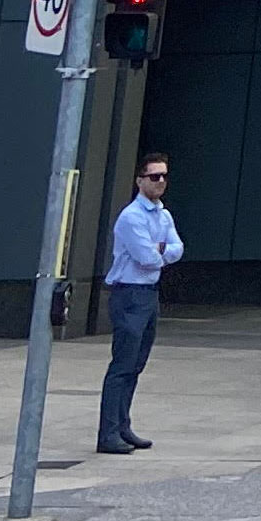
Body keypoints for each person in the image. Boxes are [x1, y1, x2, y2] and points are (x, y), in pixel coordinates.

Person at [96, 154, 182, 455]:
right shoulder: (132, 217)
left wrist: (159, 251)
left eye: (163, 176)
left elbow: (178, 248)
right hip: (129, 294)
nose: (160, 182)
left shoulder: (163, 215)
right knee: (122, 365)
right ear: (140, 180)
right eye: (153, 176)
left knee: (137, 364)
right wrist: (161, 252)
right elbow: (148, 259)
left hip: (148, 293)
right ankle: (108, 433)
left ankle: (122, 425)